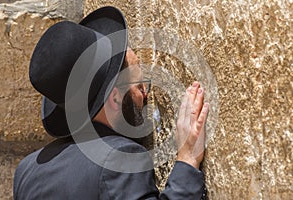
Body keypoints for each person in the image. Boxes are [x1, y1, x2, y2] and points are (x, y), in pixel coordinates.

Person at [13, 6, 209, 199]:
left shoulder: (27, 172)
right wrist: (187, 159)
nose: (146, 96)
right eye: (141, 87)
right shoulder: (119, 159)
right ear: (115, 98)